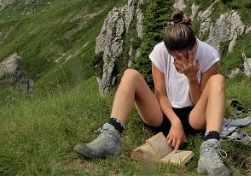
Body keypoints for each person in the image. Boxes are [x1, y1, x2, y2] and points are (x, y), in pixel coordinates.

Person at [74, 10, 232, 176]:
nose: (180, 60)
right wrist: (175, 122)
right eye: (175, 57)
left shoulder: (209, 54)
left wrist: (192, 78)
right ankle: (110, 139)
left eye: (186, 55)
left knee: (218, 80)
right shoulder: (160, 51)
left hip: (195, 117)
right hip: (163, 114)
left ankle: (209, 150)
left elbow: (201, 103)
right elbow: (161, 95)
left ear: (194, 46)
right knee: (130, 75)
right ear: (168, 50)